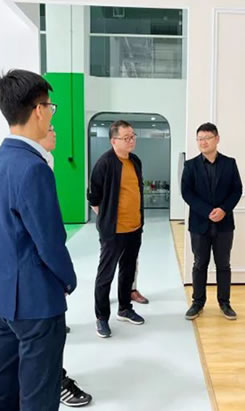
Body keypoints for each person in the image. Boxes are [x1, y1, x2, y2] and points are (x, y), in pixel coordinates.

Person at [0, 69, 76, 410]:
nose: (51, 114)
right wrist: (68, 279)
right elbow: (50, 240)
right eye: (50, 107)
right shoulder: (34, 168)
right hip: (35, 301)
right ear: (38, 110)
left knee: (4, 386)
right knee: (38, 396)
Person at [40, 124, 93, 408]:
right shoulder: (33, 168)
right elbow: (46, 235)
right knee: (46, 341)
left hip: (12, 283)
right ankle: (56, 383)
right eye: (50, 127)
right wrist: (65, 278)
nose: (55, 131)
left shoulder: (44, 161)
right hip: (36, 280)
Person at [87, 120, 145, 338]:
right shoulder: (104, 164)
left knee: (128, 270)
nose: (131, 140)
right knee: (106, 274)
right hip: (113, 232)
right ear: (113, 141)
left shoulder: (135, 161)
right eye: (126, 137)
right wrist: (107, 219)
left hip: (134, 228)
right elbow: (94, 198)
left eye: (133, 136)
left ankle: (125, 308)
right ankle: (102, 317)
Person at [181, 122, 242, 320]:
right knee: (200, 264)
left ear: (217, 139)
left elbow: (236, 190)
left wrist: (224, 209)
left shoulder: (229, 163)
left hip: (224, 224)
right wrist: (207, 211)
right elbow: (187, 193)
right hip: (199, 223)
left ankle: (225, 303)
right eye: (200, 139)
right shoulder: (190, 165)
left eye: (207, 138)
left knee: (223, 264)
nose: (203, 142)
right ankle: (197, 302)